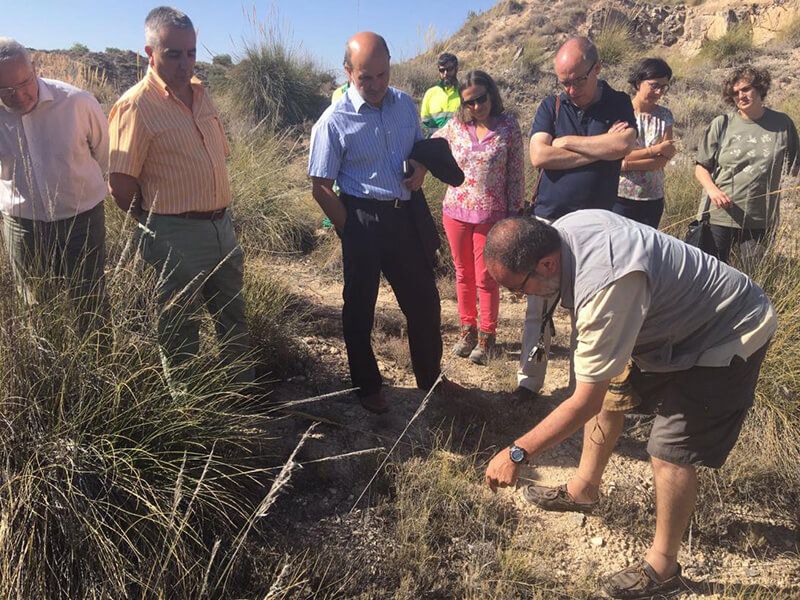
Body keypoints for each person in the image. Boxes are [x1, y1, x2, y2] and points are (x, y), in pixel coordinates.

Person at [483, 212, 775, 599]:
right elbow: (598, 391)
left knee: (669, 451)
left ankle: (663, 567)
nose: (521, 298)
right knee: (609, 389)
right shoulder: (560, 232)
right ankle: (583, 490)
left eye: (520, 289)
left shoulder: (608, 286)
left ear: (547, 263)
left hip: (728, 329)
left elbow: (583, 403)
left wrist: (517, 452)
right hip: (664, 323)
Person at [108, 7, 253, 382]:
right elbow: (121, 187)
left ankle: (241, 395)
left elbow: (219, 155)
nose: (185, 62)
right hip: (173, 233)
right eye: (173, 53)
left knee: (233, 316)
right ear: (149, 52)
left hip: (222, 226)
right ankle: (190, 416)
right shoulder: (135, 106)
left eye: (191, 52)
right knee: (179, 329)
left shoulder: (203, 94)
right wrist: (159, 227)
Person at [308, 32, 442, 414]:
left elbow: (418, 149)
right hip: (361, 217)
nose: (377, 85)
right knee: (360, 307)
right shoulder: (333, 121)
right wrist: (350, 229)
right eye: (366, 77)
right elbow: (320, 186)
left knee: (425, 303)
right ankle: (368, 387)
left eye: (383, 74)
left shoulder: (403, 104)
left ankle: (430, 380)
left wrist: (420, 167)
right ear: (348, 72)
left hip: (404, 216)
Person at [517, 36, 636, 401]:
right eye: (563, 81)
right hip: (549, 220)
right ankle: (528, 381)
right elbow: (539, 156)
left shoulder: (618, 102)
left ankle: (576, 390)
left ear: (597, 69)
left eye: (577, 80)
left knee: (585, 311)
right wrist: (599, 150)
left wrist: (565, 142)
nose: (570, 89)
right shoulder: (550, 105)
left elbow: (622, 146)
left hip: (596, 226)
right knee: (538, 305)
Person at [0, 37, 109, 334]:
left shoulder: (77, 102)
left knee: (90, 302)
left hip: (82, 219)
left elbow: (104, 153)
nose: (20, 96)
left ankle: (98, 372)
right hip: (23, 226)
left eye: (25, 82)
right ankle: (47, 370)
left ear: (35, 68)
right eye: (6, 91)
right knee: (35, 306)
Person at [433, 70, 523, 364]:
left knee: (486, 277)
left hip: (492, 215)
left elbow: (516, 176)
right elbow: (430, 146)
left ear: (491, 94)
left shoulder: (509, 126)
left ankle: (487, 336)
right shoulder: (456, 126)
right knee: (463, 274)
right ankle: (467, 329)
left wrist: (513, 217)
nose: (476, 107)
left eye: (480, 99)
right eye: (468, 102)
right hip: (455, 211)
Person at [695, 65, 799, 264]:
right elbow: (701, 166)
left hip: (760, 218)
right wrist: (713, 191)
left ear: (760, 88)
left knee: (752, 279)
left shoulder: (782, 124)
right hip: (720, 216)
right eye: (734, 93)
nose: (740, 96)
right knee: (712, 275)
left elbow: (795, 167)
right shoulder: (722, 123)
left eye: (745, 89)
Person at [615, 58, 676, 228]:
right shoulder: (620, 112)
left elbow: (662, 160)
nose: (659, 92)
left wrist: (627, 163)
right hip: (620, 197)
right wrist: (655, 150)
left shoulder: (665, 115)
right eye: (654, 86)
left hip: (652, 198)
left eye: (664, 87)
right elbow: (615, 156)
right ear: (638, 83)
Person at [420, 52, 460, 137]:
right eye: (442, 70)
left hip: (459, 145)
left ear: (456, 69)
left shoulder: (464, 92)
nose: (445, 73)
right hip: (436, 144)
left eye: (449, 69)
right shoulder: (430, 93)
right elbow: (425, 122)